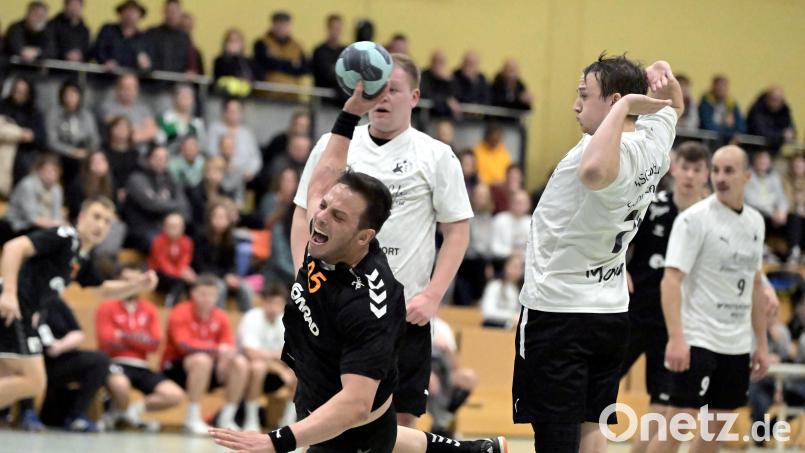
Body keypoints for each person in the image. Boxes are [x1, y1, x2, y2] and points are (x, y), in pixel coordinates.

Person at [211, 97, 502, 450]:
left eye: (338, 217)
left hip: (352, 426)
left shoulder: (370, 301)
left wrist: (277, 442)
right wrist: (351, 112)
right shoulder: (323, 241)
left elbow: (355, 404)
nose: (320, 217)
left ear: (365, 237)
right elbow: (325, 175)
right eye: (324, 208)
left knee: (374, 431)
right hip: (320, 389)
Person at [290, 53, 473, 430]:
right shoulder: (335, 142)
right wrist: (302, 276)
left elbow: (457, 231)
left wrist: (433, 296)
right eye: (376, 88)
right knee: (320, 418)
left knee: (399, 424)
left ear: (415, 96)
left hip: (402, 311)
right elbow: (301, 212)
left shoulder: (436, 155)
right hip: (336, 309)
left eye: (393, 90)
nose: (382, 97)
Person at [514, 55, 683, 453]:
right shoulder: (653, 145)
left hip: (558, 314)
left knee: (556, 438)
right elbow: (674, 108)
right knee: (593, 431)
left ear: (615, 101)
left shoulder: (602, 156)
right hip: (608, 312)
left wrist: (625, 106)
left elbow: (594, 173)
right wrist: (665, 80)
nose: (575, 104)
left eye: (584, 95)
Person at [646, 145, 770, 453]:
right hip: (698, 337)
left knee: (717, 428)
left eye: (729, 171)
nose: (721, 177)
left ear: (747, 176)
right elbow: (671, 280)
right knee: (680, 421)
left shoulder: (756, 222)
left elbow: (755, 285)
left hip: (737, 344)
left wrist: (762, 344)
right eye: (716, 170)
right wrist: (676, 338)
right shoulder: (694, 220)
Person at [0, 197, 149, 414]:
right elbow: (14, 247)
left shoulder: (82, 258)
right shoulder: (65, 237)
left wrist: (136, 285)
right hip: (14, 309)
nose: (101, 225)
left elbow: (104, 290)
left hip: (23, 314)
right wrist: (9, 294)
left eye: (107, 221)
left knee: (11, 377)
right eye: (96, 217)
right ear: (81, 217)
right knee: (34, 381)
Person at [620, 141, 711, 453]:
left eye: (696, 170)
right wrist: (620, 267)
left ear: (705, 175)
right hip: (635, 311)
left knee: (663, 401)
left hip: (674, 324)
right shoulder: (652, 204)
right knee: (601, 382)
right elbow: (617, 234)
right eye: (684, 167)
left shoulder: (709, 216)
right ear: (674, 169)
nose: (688, 175)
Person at [97, 267, 185, 431]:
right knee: (119, 384)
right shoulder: (107, 306)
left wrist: (123, 335)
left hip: (141, 364)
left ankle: (130, 413)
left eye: (137, 280)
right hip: (115, 361)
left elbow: (155, 344)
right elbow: (107, 341)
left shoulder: (149, 309)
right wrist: (140, 338)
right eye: (127, 280)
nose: (132, 284)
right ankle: (115, 414)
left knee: (174, 394)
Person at [162, 274, 249, 434]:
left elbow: (228, 346)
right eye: (203, 294)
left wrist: (226, 357)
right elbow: (184, 345)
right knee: (202, 360)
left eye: (212, 295)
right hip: (176, 367)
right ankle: (191, 418)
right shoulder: (180, 311)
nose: (207, 299)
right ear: (193, 293)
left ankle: (226, 418)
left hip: (210, 368)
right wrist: (217, 350)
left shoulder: (220, 316)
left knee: (240, 363)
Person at [237, 283, 296, 432]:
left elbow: (291, 353)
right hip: (249, 373)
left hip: (276, 372)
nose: (274, 308)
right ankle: (251, 420)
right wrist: (278, 367)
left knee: (300, 371)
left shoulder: (287, 320)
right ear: (264, 302)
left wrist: (282, 365)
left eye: (279, 303)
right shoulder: (252, 317)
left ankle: (288, 421)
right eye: (271, 303)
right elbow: (251, 353)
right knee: (258, 367)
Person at [46, 80, 100, 185]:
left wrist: (88, 151)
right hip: (61, 152)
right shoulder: (54, 114)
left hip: (83, 151)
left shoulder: (87, 115)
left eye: (74, 94)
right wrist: (72, 152)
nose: (71, 97)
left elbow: (95, 138)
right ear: (62, 96)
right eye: (68, 94)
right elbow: (51, 141)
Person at [148, 212, 195, 306]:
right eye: (170, 226)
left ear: (183, 228)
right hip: (159, 275)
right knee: (179, 281)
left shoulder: (187, 242)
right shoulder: (158, 241)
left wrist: (182, 272)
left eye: (176, 226)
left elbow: (184, 261)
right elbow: (162, 263)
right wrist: (179, 273)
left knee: (193, 282)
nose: (173, 229)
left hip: (178, 275)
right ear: (164, 227)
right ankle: (171, 304)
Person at [93, 0, 151, 71]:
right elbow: (97, 49)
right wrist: (105, 61)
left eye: (134, 12)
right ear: (120, 13)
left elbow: (150, 62)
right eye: (127, 10)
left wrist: (146, 65)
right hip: (106, 77)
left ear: (140, 16)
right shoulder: (108, 30)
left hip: (133, 79)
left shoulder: (144, 38)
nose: (130, 15)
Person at [142, 0, 191, 73]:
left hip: (177, 80)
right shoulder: (151, 33)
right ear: (164, 12)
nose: (172, 15)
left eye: (175, 11)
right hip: (153, 79)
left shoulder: (184, 37)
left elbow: (189, 61)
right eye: (169, 11)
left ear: (180, 13)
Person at [310, 14, 346, 94]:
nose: (336, 31)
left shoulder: (346, 51)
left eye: (339, 28)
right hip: (324, 98)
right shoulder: (319, 51)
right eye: (334, 28)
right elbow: (324, 74)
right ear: (328, 28)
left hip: (341, 99)